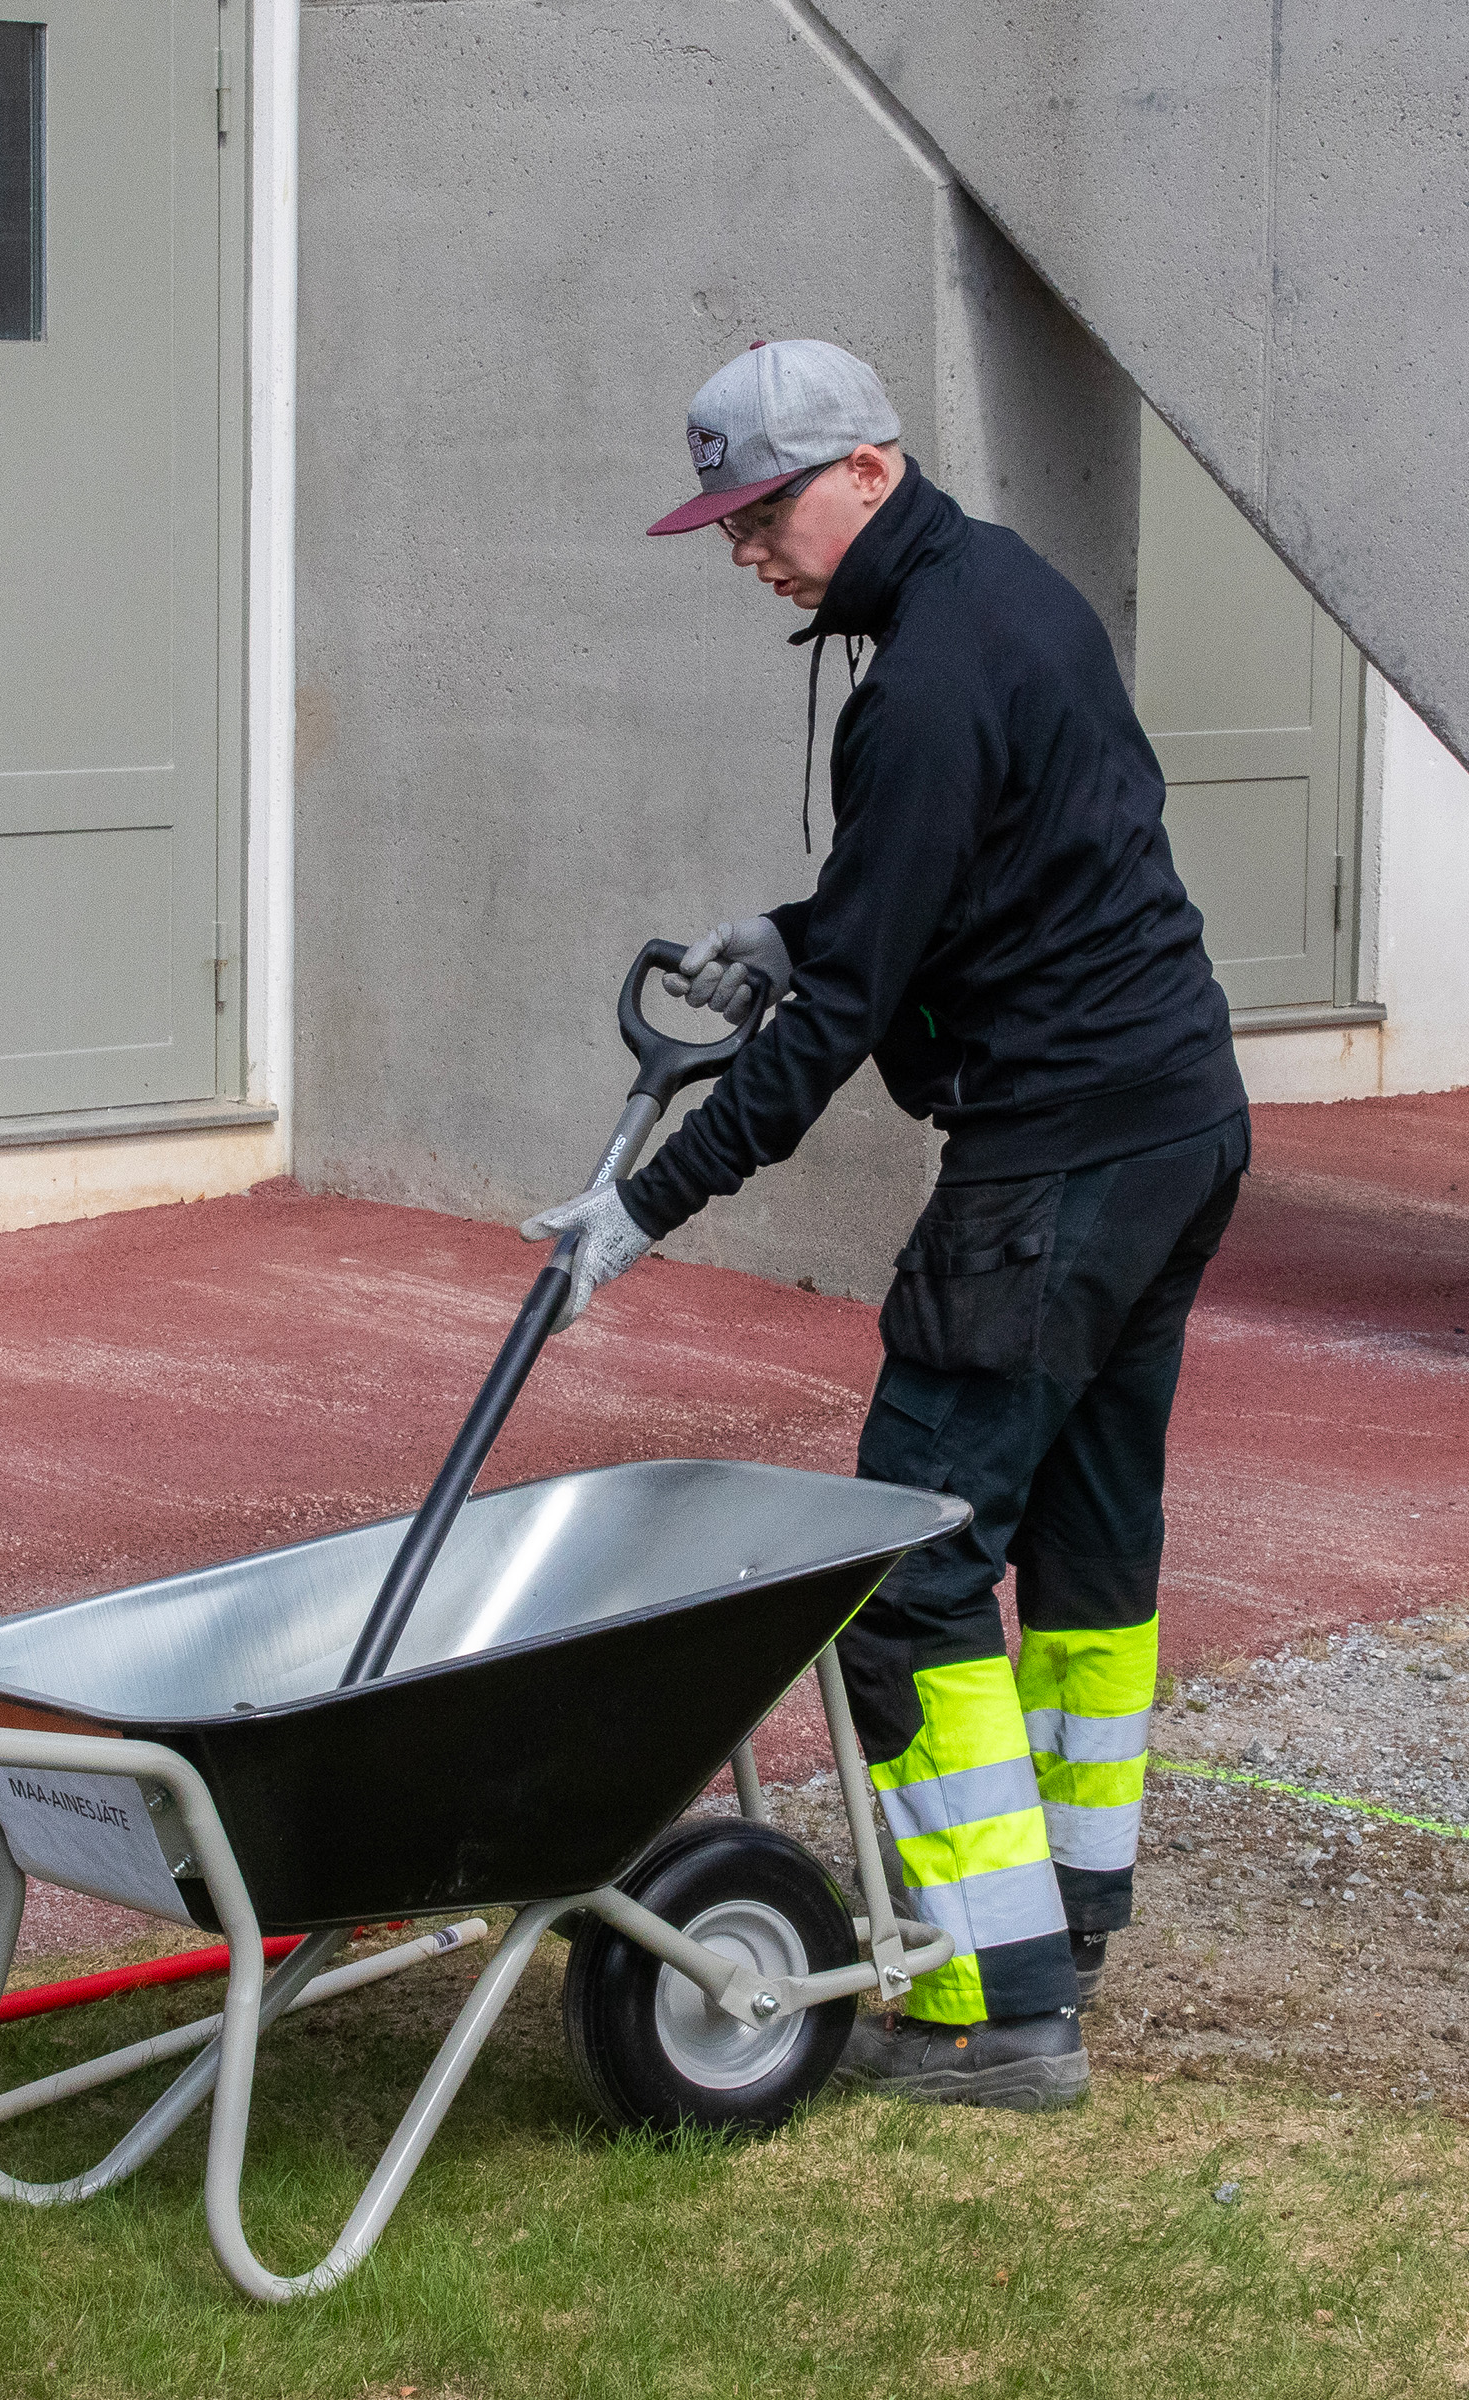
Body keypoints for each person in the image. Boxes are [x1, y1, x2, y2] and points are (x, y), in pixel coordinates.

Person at [522, 338, 1249, 2112]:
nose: (746, 550)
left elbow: (842, 1026)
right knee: (1083, 1546)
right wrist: (802, 923)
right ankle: (1067, 1920)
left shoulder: (918, 685)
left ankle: (1004, 2013)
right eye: (726, 524)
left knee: (904, 1582)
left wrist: (645, 1204)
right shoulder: (1009, 596)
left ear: (865, 468)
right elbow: (958, 885)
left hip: (1057, 1164)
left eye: (764, 512)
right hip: (1177, 1121)